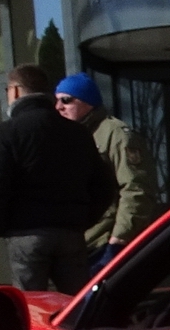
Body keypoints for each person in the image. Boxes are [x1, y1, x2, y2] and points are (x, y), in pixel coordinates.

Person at [0, 63, 115, 294]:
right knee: (77, 306)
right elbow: (103, 186)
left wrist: (1, 225)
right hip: (70, 233)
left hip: (26, 233)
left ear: (16, 91)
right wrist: (80, 220)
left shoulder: (6, 132)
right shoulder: (78, 133)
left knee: (32, 308)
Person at [53, 73, 155, 271]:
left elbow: (136, 188)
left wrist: (119, 239)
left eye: (66, 100)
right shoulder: (66, 137)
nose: (59, 107)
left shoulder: (115, 134)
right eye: (56, 101)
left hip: (104, 243)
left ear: (87, 102)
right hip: (77, 246)